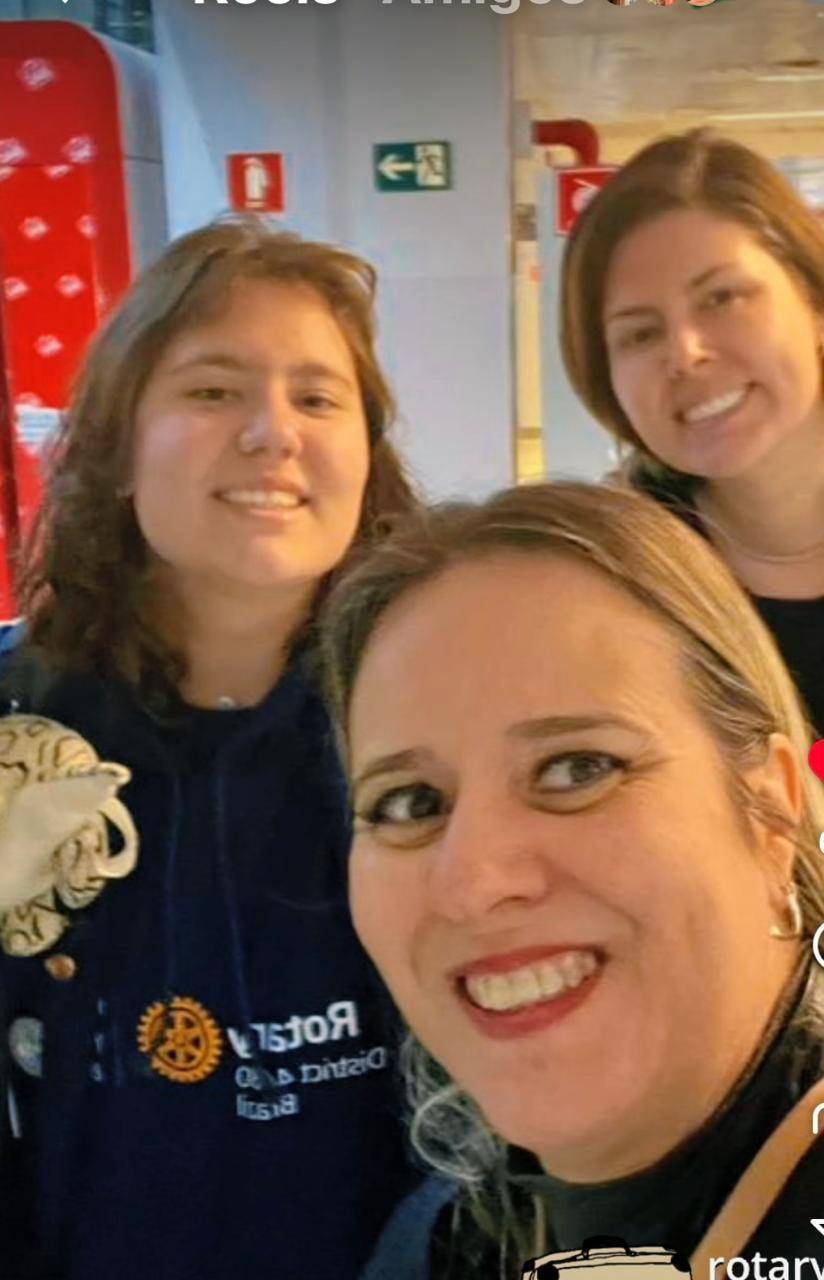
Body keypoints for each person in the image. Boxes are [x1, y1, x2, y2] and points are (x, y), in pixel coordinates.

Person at [0, 218, 418, 1280]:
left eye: (317, 398)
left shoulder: (434, 723)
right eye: (213, 390)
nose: (272, 433)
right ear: (117, 450)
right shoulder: (18, 730)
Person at [317, 481, 824, 1279]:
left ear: (771, 810)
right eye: (410, 803)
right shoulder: (440, 1245)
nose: (474, 882)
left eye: (578, 768)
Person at [560, 130, 824, 733]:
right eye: (640, 334)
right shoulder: (609, 582)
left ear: (814, 302)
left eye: (722, 298)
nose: (685, 352)